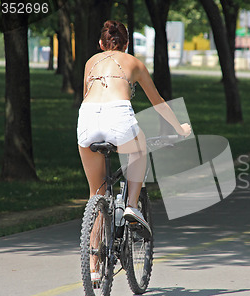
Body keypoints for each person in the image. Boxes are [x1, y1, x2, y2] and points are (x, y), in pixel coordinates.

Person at [77, 20, 191, 239]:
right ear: (127, 44)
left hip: (87, 118)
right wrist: (180, 128)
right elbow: (157, 102)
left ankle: (92, 267)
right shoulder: (134, 63)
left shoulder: (90, 62)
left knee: (95, 193)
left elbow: (86, 95)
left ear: (101, 43)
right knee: (140, 147)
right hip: (118, 115)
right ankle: (132, 206)